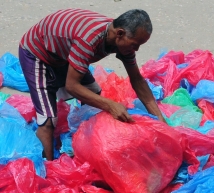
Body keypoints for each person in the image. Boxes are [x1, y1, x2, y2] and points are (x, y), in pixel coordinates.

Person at [18, 8, 165, 161]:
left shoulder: (120, 39)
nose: (136, 50)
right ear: (120, 33)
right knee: (48, 121)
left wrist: (159, 118)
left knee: (94, 96)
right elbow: (72, 86)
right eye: (135, 44)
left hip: (64, 54)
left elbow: (137, 79)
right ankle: (48, 170)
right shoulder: (89, 40)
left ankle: (86, 145)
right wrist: (110, 105)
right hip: (38, 53)